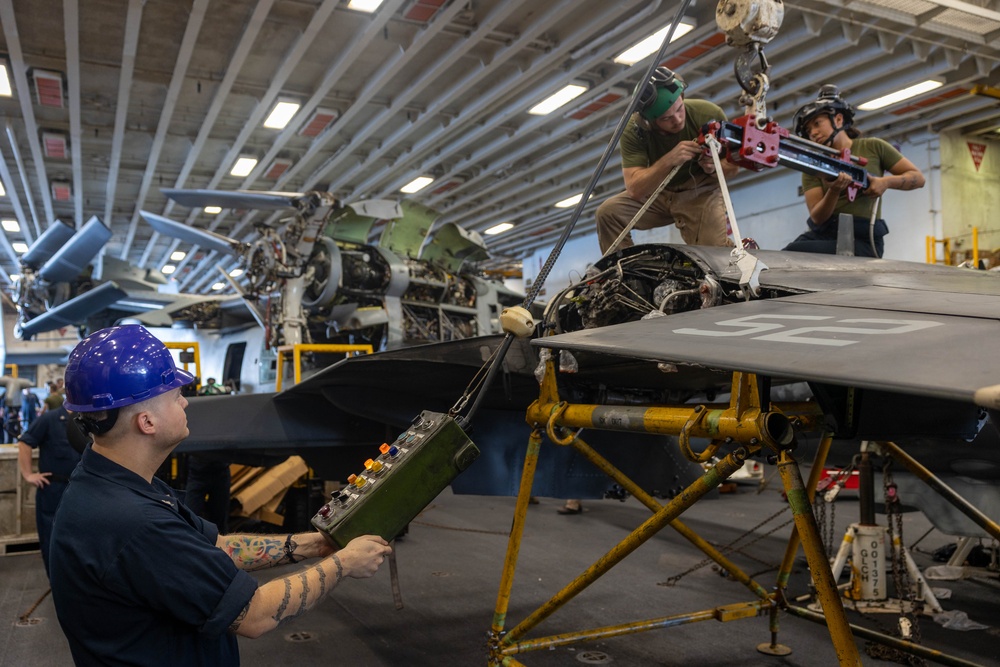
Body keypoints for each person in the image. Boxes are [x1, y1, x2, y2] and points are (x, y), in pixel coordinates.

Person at [48, 325, 392, 665]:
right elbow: (255, 615)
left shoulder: (115, 481)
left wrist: (316, 545)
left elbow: (215, 548)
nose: (185, 401)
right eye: (175, 395)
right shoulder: (133, 523)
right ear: (147, 422)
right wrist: (343, 564)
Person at [595, 66, 738, 254]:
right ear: (649, 122)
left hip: (700, 192)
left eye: (680, 109)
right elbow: (635, 189)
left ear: (683, 97)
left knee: (715, 255)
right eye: (667, 118)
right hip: (658, 193)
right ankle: (625, 270)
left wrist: (714, 167)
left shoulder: (708, 115)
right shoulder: (635, 131)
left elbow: (733, 168)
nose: (678, 120)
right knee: (608, 213)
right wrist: (669, 160)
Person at [783, 84, 925, 258]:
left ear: (838, 120)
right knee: (786, 256)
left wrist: (885, 182)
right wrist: (834, 191)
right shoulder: (813, 166)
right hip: (826, 233)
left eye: (817, 123)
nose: (812, 132)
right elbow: (817, 218)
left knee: (795, 254)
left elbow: (918, 178)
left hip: (863, 239)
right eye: (808, 130)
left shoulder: (873, 147)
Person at [17, 402, 82, 575]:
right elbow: (25, 442)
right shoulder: (50, 419)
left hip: (81, 490)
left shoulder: (86, 419)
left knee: (79, 540)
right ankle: (56, 583)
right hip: (54, 489)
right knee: (51, 539)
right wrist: (28, 474)